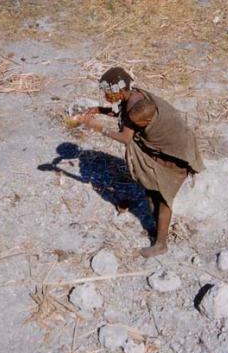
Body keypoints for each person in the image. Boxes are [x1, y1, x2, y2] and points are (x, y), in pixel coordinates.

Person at [76, 67, 204, 258]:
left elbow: (126, 138)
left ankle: (161, 244)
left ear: (120, 91)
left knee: (163, 197)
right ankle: (156, 228)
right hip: (168, 149)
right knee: (150, 190)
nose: (106, 96)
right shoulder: (133, 96)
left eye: (108, 93)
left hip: (174, 155)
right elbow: (122, 114)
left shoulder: (136, 108)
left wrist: (97, 127)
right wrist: (98, 110)